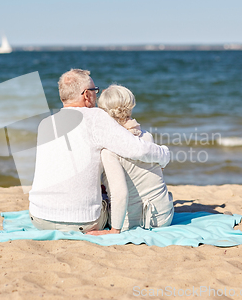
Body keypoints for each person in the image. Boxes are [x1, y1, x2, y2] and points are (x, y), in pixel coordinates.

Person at [28, 69, 170, 233]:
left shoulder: (45, 124)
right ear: (86, 95)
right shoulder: (96, 117)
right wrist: (164, 155)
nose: (96, 95)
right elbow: (137, 150)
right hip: (81, 222)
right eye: (95, 91)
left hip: (38, 218)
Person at [88, 84, 174, 236]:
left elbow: (120, 193)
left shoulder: (108, 151)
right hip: (164, 217)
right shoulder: (146, 136)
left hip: (132, 222)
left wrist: (115, 230)